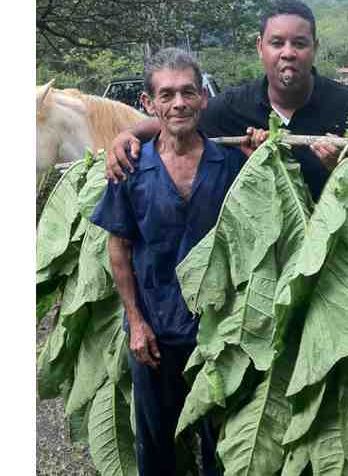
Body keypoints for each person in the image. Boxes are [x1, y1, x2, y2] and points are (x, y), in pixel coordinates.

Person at [91, 48, 250, 476]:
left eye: (187, 92)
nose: (178, 103)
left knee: (220, 444)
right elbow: (119, 249)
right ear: (149, 103)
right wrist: (135, 322)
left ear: (202, 98)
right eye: (166, 95)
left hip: (217, 333)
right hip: (154, 335)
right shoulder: (130, 168)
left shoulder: (231, 164)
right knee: (157, 444)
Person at [107, 0, 348, 201]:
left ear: (314, 47)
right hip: (263, 256)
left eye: (300, 43)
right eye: (277, 43)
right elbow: (179, 117)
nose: (288, 53)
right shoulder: (233, 107)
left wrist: (346, 169)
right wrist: (129, 134)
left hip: (336, 254)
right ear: (260, 47)